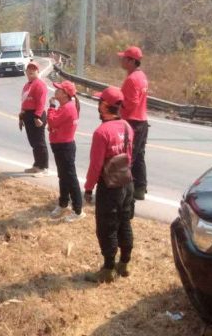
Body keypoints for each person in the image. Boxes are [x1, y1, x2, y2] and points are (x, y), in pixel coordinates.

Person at [83, 86, 135, 283]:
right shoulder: (127, 127)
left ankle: (108, 268)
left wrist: (88, 188)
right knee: (124, 222)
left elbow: (96, 166)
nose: (98, 105)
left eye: (99, 102)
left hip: (110, 186)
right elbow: (130, 157)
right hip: (126, 182)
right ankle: (125, 264)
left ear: (105, 105)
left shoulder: (102, 132)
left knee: (107, 227)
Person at [47, 80, 83, 221]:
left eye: (59, 90)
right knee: (63, 176)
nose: (56, 91)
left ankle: (78, 210)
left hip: (64, 146)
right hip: (60, 145)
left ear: (65, 94)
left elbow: (52, 121)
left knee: (70, 177)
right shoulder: (65, 107)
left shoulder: (68, 108)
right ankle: (63, 203)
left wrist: (51, 106)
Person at [118, 46, 149, 201]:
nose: (121, 60)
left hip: (133, 121)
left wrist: (118, 105)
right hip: (142, 120)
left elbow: (131, 103)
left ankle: (125, 192)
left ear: (131, 61)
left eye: (124, 58)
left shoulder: (132, 79)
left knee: (128, 157)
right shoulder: (141, 76)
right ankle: (140, 188)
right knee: (139, 155)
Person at [19, 61, 49, 175]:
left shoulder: (40, 84)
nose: (31, 71)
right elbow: (24, 102)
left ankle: (44, 167)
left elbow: (41, 102)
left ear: (38, 71)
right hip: (27, 114)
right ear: (26, 71)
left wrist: (37, 117)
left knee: (39, 142)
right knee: (33, 142)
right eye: (29, 69)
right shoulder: (27, 85)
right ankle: (37, 164)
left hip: (37, 115)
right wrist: (21, 116)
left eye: (34, 69)